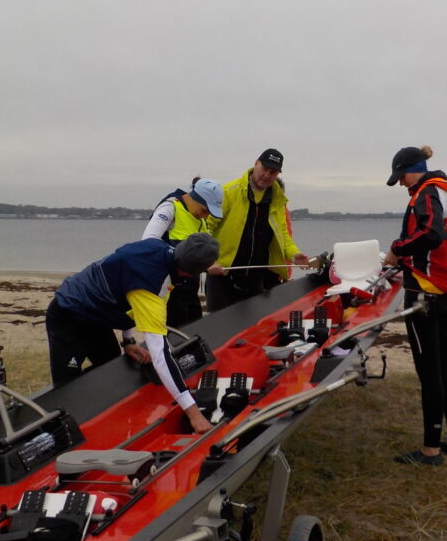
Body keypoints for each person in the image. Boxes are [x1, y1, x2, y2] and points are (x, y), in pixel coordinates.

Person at [44, 232, 220, 433]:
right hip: (69, 313)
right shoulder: (151, 289)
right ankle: (62, 437)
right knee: (67, 388)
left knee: (110, 366)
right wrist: (194, 414)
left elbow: (126, 291)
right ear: (190, 274)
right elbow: (161, 357)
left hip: (98, 317)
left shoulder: (158, 247)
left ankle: (104, 426)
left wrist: (127, 340)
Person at [382, 145, 447, 465]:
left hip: (425, 295)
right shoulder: (442, 191)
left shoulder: (426, 194)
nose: (401, 183)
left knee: (429, 372)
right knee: (446, 365)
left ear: (412, 169)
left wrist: (397, 250)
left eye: (401, 177)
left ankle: (431, 450)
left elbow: (430, 235)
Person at [205, 148, 309, 313]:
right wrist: (208, 260)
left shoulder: (277, 199)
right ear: (255, 164)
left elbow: (283, 235)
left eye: (273, 172)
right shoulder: (228, 192)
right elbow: (206, 227)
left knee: (251, 332)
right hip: (222, 276)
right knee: (218, 332)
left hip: (256, 278)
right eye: (264, 168)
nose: (267, 175)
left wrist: (295, 255)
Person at [142, 178, 224, 327]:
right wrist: (202, 265)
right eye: (205, 210)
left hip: (190, 290)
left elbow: (200, 251)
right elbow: (148, 242)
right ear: (194, 198)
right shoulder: (170, 208)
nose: (206, 216)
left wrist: (210, 262)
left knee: (196, 332)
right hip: (168, 290)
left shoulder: (200, 218)